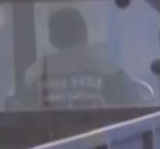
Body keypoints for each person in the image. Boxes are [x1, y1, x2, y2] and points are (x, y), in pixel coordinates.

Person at [18, 7, 146, 108]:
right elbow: (136, 113)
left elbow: (20, 114)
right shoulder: (110, 69)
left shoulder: (34, 73)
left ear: (52, 39)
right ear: (84, 32)